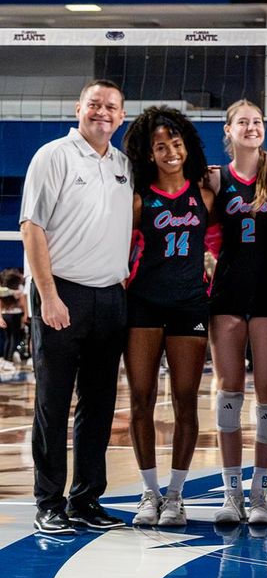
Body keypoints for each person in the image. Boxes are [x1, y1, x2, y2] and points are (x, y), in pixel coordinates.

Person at [21, 79, 131, 534]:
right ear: (78, 108)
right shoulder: (53, 155)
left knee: (99, 404)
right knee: (53, 402)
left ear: (122, 116)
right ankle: (49, 502)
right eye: (94, 104)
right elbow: (31, 227)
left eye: (111, 107)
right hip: (61, 292)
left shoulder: (123, 164)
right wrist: (48, 295)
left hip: (110, 296)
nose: (102, 112)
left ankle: (86, 499)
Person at [206, 100, 267, 526]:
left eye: (257, 121)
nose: (251, 127)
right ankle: (232, 493)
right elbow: (207, 233)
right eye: (242, 121)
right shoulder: (215, 178)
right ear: (228, 129)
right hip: (227, 293)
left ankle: (261, 493)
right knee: (228, 391)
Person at [123, 106, 215, 527]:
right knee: (141, 398)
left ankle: (176, 495)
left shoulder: (205, 195)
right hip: (143, 303)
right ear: (149, 153)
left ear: (187, 146)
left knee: (185, 399)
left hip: (189, 304)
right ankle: (149, 492)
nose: (170, 152)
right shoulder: (138, 200)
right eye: (160, 146)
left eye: (175, 143)